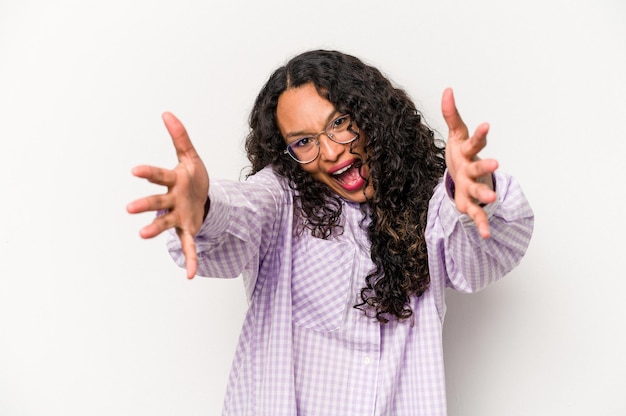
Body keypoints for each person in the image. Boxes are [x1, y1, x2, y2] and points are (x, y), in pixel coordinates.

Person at [127, 50, 534, 416]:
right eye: (304, 141)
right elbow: (241, 215)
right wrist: (204, 206)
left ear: (371, 115)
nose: (332, 151)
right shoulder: (282, 200)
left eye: (339, 122)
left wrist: (476, 198)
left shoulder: (430, 208)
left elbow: (480, 262)